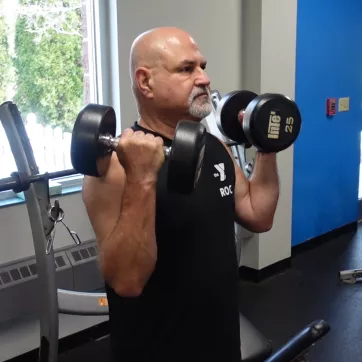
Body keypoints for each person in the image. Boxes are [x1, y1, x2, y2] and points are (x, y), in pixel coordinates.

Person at [82, 27, 279, 362]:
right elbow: (127, 281)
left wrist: (266, 144)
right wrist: (143, 178)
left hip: (222, 341)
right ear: (145, 82)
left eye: (202, 66)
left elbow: (257, 213)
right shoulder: (115, 167)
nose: (204, 78)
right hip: (158, 351)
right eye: (187, 69)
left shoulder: (214, 146)